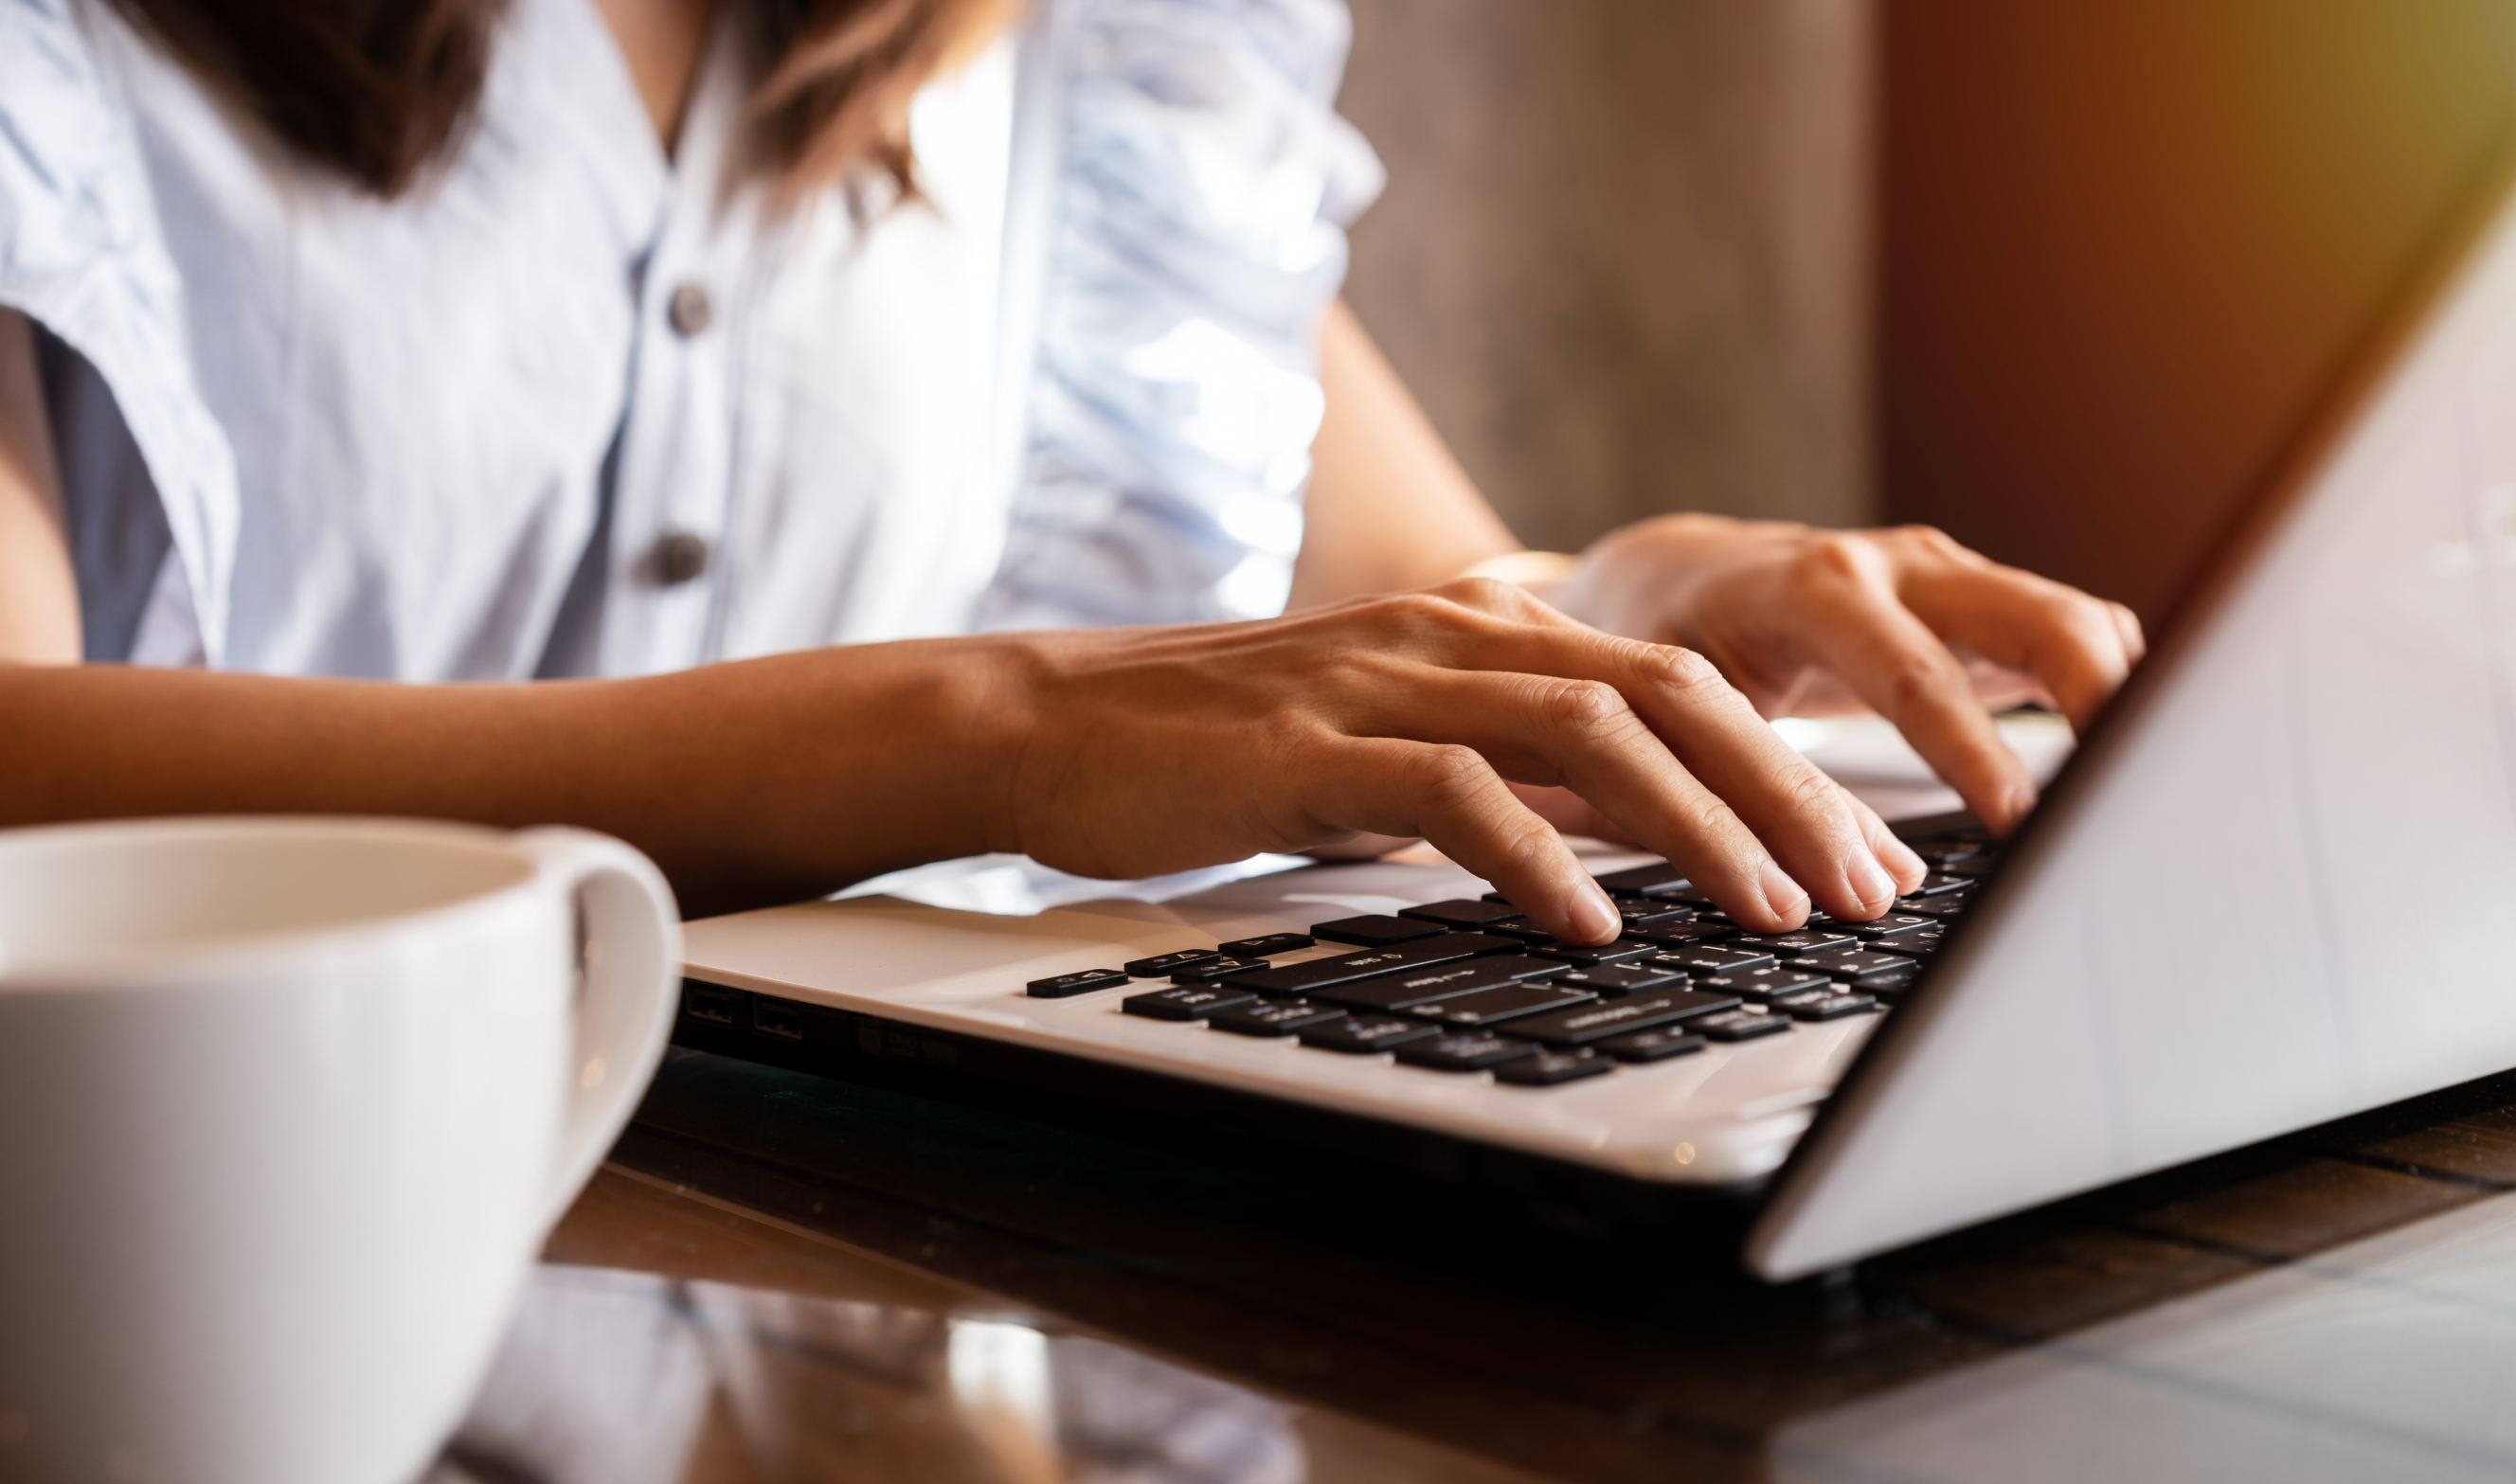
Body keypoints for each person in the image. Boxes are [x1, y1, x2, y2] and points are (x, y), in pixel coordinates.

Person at [0, 0, 2142, 945]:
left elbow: (1363, 614)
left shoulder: (1073, 52)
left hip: (844, 1331)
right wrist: (997, 732)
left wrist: (1620, 600)